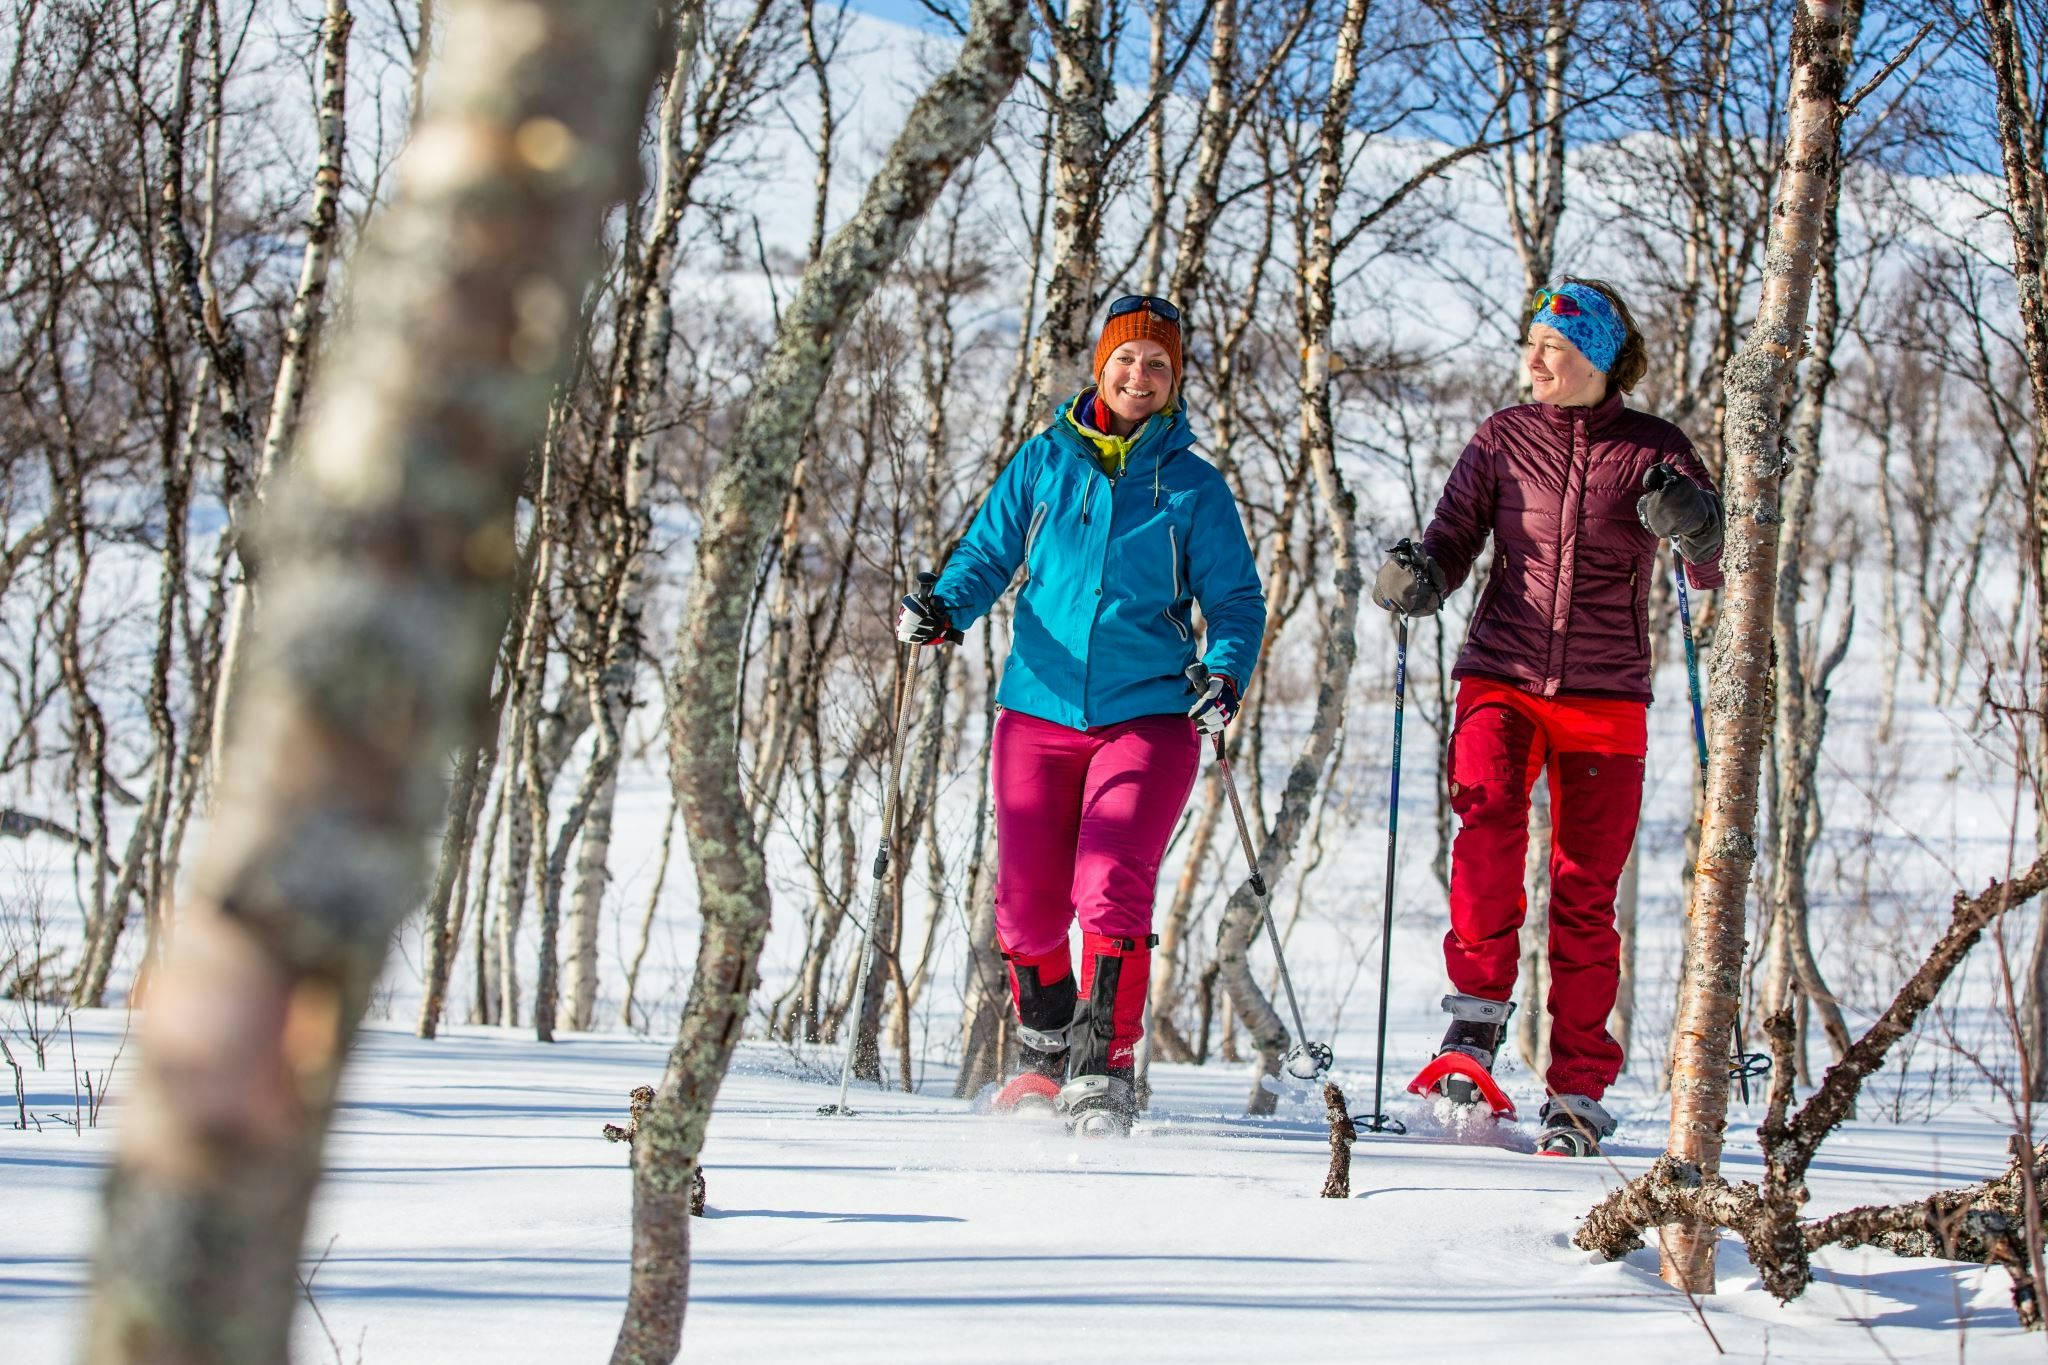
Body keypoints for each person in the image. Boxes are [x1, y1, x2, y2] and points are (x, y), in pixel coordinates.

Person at [896, 296, 1267, 1136]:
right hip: (1037, 707)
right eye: (1128, 359)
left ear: (1175, 384)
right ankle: (1047, 1048)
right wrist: (946, 609)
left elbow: (1237, 600)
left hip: (1149, 716)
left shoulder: (1194, 487)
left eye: (1159, 366)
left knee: (1108, 887)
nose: (1141, 376)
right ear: (1101, 365)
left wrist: (1223, 671)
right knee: (1026, 907)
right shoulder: (1043, 462)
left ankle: (1106, 1061)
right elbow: (987, 554)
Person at [1373, 278, 1724, 1157]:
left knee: (1584, 889)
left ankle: (1577, 1083)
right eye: (1532, 343)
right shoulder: (1503, 438)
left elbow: (1715, 561)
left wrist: (1696, 524)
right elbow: (1452, 539)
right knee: (1484, 823)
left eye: (1554, 347)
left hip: (1608, 695)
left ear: (1597, 359)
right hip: (1503, 674)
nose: (1535, 359)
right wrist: (1419, 575)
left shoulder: (1656, 448)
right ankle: (1474, 1028)